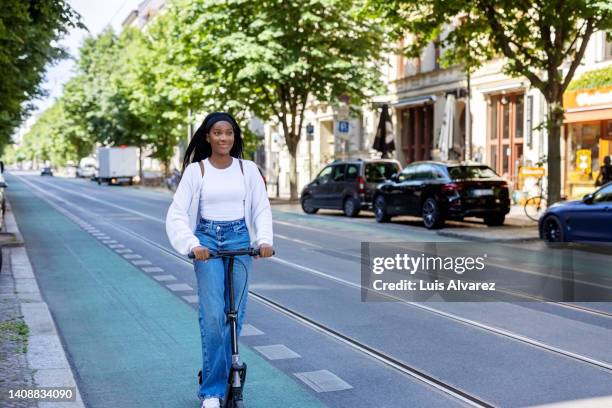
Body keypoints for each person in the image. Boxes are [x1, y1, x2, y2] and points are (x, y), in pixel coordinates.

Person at [165, 112, 274, 408]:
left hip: (240, 239)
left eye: (229, 133)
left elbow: (261, 208)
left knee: (234, 315)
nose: (224, 138)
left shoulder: (247, 169)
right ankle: (212, 391)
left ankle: (224, 376)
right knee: (213, 317)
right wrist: (192, 244)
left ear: (234, 137)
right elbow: (176, 214)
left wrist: (263, 240)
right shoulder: (196, 171)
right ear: (207, 137)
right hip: (207, 242)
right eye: (217, 133)